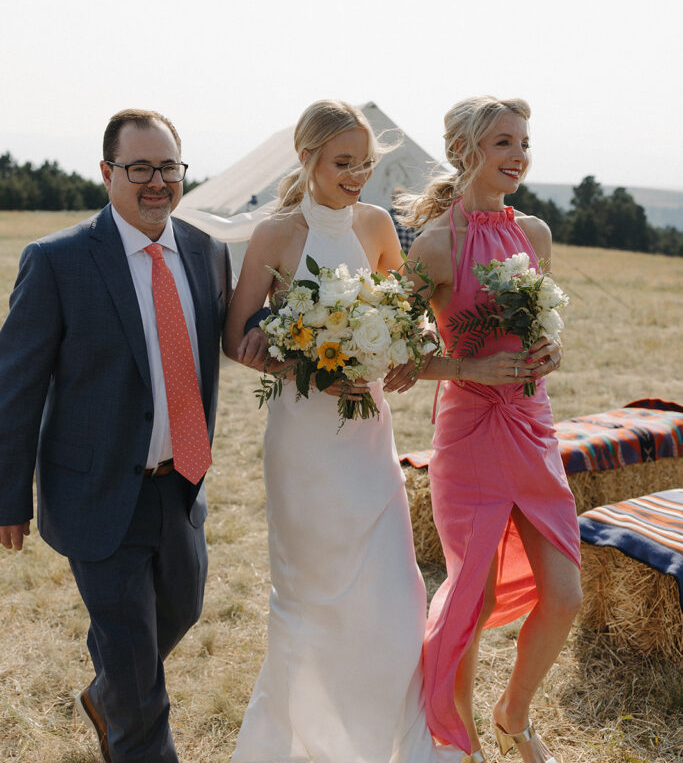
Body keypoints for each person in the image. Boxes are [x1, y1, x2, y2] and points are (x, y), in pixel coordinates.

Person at [0, 109, 258, 763]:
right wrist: (7, 497)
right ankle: (135, 725)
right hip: (95, 493)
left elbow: (227, 345)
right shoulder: (57, 262)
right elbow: (16, 386)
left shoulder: (205, 253)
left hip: (179, 489)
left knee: (181, 611)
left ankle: (106, 695)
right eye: (139, 168)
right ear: (107, 172)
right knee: (139, 668)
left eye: (167, 167)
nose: (155, 182)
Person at [224, 99, 461, 763]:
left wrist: (403, 354)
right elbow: (236, 334)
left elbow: (401, 316)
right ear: (306, 159)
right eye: (343, 163)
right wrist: (307, 363)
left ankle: (387, 736)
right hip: (301, 444)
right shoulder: (274, 234)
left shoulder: (377, 224)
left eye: (365, 163)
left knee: (393, 590)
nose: (358, 176)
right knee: (311, 597)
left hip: (367, 438)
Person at [401, 97, 582, 763]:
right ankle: (461, 744)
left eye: (524, 142)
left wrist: (549, 352)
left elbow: (543, 328)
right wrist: (464, 363)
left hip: (531, 425)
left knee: (564, 596)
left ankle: (514, 714)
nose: (518, 155)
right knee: (470, 605)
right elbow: (395, 351)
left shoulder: (533, 232)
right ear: (463, 150)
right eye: (503, 142)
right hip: (469, 432)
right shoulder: (434, 246)